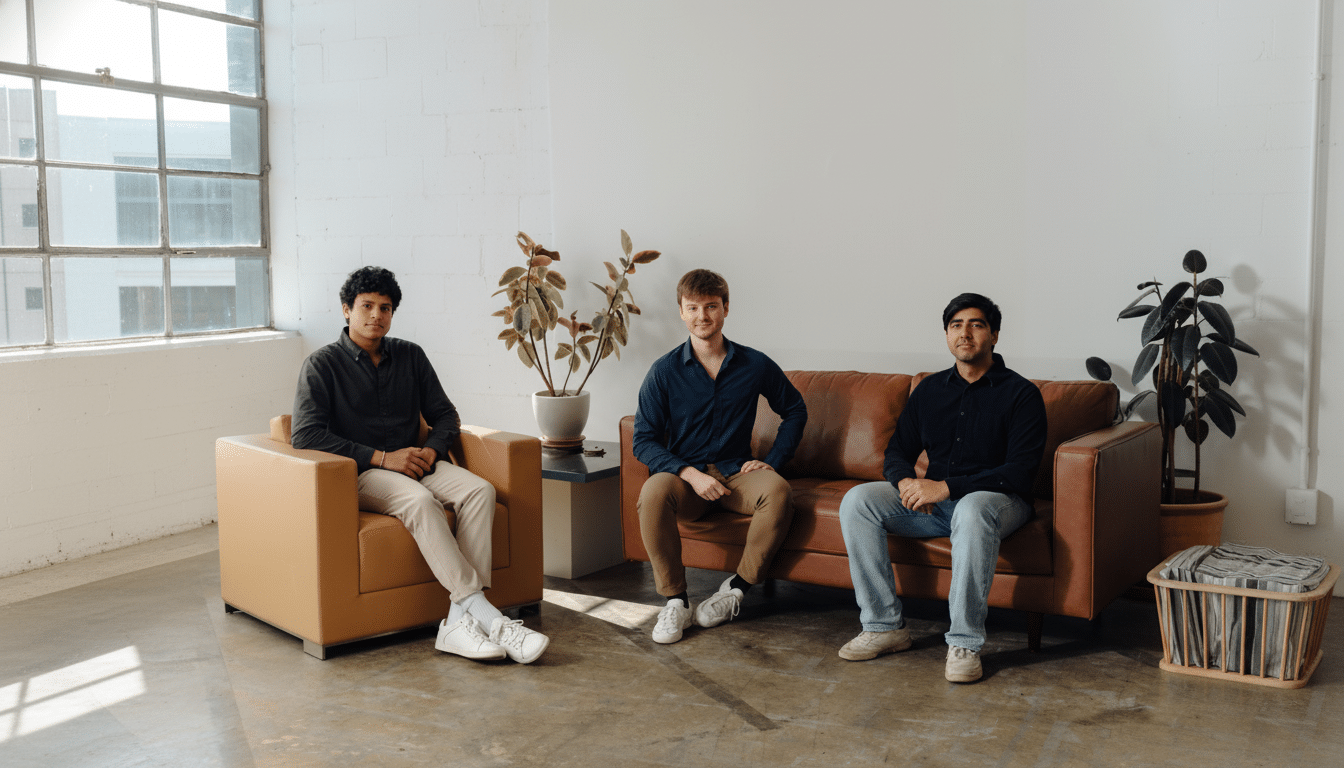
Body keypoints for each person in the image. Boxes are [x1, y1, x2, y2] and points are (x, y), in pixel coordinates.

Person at [291, 266, 549, 664]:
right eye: (367, 306)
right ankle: (491, 620)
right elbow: (305, 435)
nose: (376, 315)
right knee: (420, 502)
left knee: (480, 491)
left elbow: (445, 415)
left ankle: (458, 624)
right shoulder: (321, 365)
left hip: (417, 463)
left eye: (385, 308)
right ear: (346, 310)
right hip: (362, 473)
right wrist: (381, 458)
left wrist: (432, 449)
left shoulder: (411, 355)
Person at [837, 293, 1046, 683]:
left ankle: (965, 642)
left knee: (971, 508)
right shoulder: (930, 390)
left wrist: (946, 487)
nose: (965, 333)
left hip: (1000, 503)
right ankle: (883, 626)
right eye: (956, 325)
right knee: (858, 501)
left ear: (994, 335)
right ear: (947, 335)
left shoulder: (1022, 394)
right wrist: (906, 483)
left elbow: (1019, 472)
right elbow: (897, 451)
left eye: (976, 325)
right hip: (938, 508)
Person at [633, 269, 807, 644]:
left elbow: (795, 409)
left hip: (736, 473)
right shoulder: (663, 371)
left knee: (777, 491)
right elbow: (643, 440)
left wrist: (774, 460)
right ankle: (675, 601)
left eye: (711, 306)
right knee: (652, 492)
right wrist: (690, 474)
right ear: (681, 312)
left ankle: (736, 590)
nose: (702, 316)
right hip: (685, 480)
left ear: (726, 308)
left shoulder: (754, 364)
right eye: (693, 308)